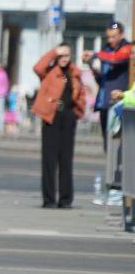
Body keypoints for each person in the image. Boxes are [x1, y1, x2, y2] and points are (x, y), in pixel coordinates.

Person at [33, 44, 86, 208]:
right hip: (51, 116)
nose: (64, 58)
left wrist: (78, 111)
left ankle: (66, 199)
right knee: (49, 159)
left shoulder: (74, 73)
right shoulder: (49, 72)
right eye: (61, 55)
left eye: (67, 55)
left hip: (68, 116)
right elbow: (37, 67)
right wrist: (54, 52)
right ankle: (49, 199)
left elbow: (81, 93)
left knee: (66, 159)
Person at [83, 21, 131, 153]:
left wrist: (95, 54)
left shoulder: (128, 48)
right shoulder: (106, 49)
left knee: (120, 143)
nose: (110, 40)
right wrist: (92, 66)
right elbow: (102, 77)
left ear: (122, 34)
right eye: (108, 37)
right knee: (107, 143)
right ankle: (110, 172)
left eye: (113, 36)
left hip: (119, 102)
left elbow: (116, 58)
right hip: (104, 102)